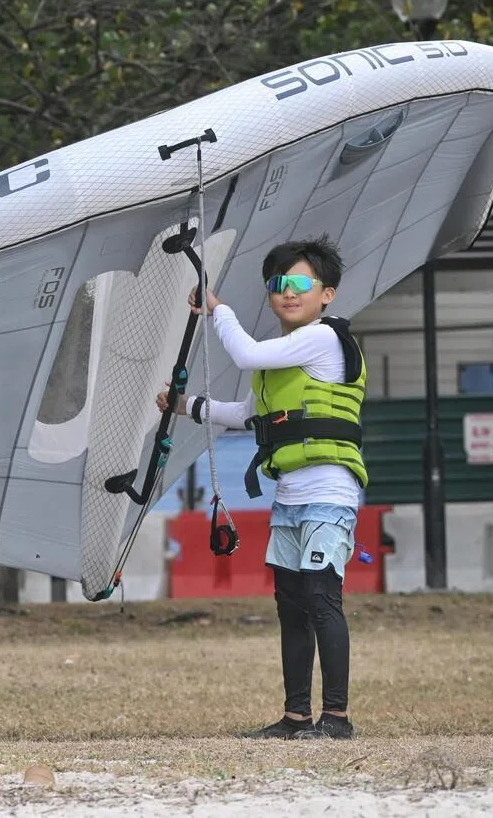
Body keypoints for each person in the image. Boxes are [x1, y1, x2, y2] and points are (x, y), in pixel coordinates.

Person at [158, 235, 366, 741]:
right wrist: (186, 407)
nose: (286, 293)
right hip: (291, 497)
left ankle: (336, 719)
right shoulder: (281, 366)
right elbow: (246, 415)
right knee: (291, 605)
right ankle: (296, 717)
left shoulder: (322, 338)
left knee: (322, 600)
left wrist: (216, 307)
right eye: (277, 284)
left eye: (299, 283)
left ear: (327, 294)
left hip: (329, 493)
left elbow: (246, 352)